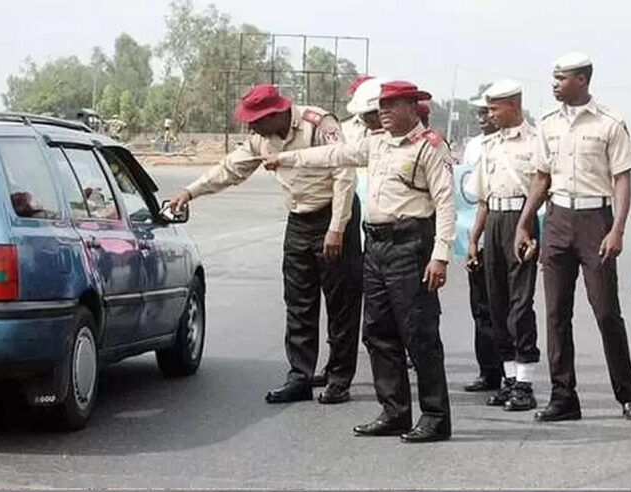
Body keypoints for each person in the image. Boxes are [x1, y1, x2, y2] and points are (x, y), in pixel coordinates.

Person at [264, 80, 455, 443]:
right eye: (380, 105)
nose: (383, 112)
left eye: (391, 105)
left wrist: (440, 256)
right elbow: (333, 156)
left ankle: (435, 416)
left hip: (410, 245)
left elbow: (445, 203)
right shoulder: (377, 142)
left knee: (418, 334)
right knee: (378, 332)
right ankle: (395, 412)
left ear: (412, 108)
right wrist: (285, 159)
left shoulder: (429, 146)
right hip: (377, 245)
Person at [169, 84, 363, 405]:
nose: (251, 128)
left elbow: (344, 173)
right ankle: (299, 377)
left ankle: (339, 378)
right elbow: (231, 169)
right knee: (299, 302)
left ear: (275, 114)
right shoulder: (263, 138)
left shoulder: (319, 124)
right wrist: (190, 192)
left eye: (256, 120)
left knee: (341, 301)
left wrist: (337, 228)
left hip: (335, 216)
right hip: (300, 220)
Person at [514, 52, 631, 422]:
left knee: (605, 311)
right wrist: (526, 223)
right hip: (557, 217)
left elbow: (621, 178)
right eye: (553, 77)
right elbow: (541, 177)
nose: (554, 83)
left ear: (582, 80)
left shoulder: (608, 123)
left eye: (561, 77)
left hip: (595, 220)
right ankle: (563, 397)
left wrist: (617, 228)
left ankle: (627, 394)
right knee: (556, 313)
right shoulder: (548, 124)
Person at [467, 80, 540, 411]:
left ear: (513, 105)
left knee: (520, 306)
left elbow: (544, 190)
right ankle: (510, 379)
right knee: (496, 305)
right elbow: (483, 199)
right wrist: (473, 238)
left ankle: (525, 383)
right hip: (494, 221)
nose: (490, 115)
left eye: (494, 108)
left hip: (522, 222)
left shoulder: (537, 141)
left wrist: (532, 231)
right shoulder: (489, 145)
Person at [311, 76, 389, 388]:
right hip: (346, 217)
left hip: (381, 218)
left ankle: (373, 365)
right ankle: (336, 364)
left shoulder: (394, 133)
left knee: (374, 303)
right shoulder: (343, 129)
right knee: (341, 296)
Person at [461, 93, 503, 393]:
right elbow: (466, 194)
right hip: (476, 232)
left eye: (486, 111)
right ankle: (488, 371)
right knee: (481, 307)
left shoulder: (518, 144)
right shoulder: (474, 147)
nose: (481, 117)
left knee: (506, 307)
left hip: (506, 231)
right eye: (477, 112)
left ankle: (512, 373)